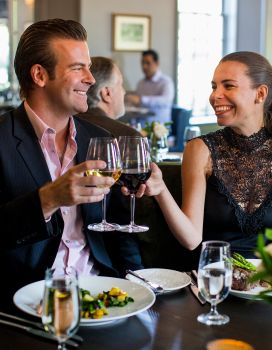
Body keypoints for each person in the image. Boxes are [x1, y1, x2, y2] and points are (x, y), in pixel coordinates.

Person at [0, 19, 142, 309]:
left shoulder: (99, 139)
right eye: (78, 67)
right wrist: (49, 199)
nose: (90, 78)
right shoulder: (2, 138)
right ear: (39, 75)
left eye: (88, 67)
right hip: (26, 302)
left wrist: (137, 285)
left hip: (101, 295)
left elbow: (117, 231)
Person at [136, 51, 272, 265]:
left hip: (267, 281)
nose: (215, 95)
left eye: (228, 86)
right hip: (213, 279)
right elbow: (191, 239)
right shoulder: (200, 149)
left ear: (260, 94)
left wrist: (261, 282)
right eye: (213, 86)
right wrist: (161, 190)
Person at [77, 56, 141, 137]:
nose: (124, 92)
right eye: (120, 84)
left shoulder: (68, 127)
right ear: (107, 93)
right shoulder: (129, 137)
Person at [125, 49, 175, 123]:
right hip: (140, 127)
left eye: (148, 63)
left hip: (159, 128)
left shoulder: (166, 81)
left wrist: (141, 99)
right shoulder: (141, 83)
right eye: (142, 63)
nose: (144, 66)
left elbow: (166, 101)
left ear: (157, 63)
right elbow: (136, 104)